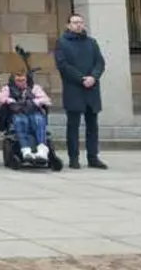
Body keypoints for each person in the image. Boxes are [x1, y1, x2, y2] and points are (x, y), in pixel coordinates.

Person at [55, 13, 108, 170]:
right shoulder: (62, 43)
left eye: (80, 22)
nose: (78, 25)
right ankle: (73, 158)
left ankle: (93, 157)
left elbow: (100, 62)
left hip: (91, 89)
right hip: (74, 88)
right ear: (68, 25)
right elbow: (63, 65)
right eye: (75, 22)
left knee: (92, 125)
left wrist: (93, 77)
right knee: (73, 125)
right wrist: (81, 78)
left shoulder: (92, 43)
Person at [0, 71, 52, 161]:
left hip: (32, 112)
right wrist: (9, 100)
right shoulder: (8, 88)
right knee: (21, 121)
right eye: (18, 80)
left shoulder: (34, 88)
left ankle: (42, 149)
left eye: (23, 80)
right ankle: (26, 149)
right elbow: (1, 98)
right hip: (17, 113)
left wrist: (35, 102)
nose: (20, 82)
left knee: (38, 119)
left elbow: (46, 99)